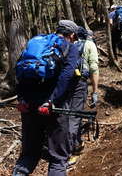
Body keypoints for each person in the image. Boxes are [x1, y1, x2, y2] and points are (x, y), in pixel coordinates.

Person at [13, 20, 80, 176]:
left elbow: (19, 71)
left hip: (28, 106)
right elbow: (66, 76)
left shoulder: (37, 43)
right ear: (71, 35)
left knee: (28, 155)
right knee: (58, 158)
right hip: (53, 108)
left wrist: (22, 99)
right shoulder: (70, 47)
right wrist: (51, 101)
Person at [67, 27, 100, 167]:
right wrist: (95, 91)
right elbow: (93, 68)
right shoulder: (89, 44)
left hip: (63, 84)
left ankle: (77, 142)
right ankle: (70, 152)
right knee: (74, 116)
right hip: (79, 84)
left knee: (69, 114)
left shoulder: (67, 44)